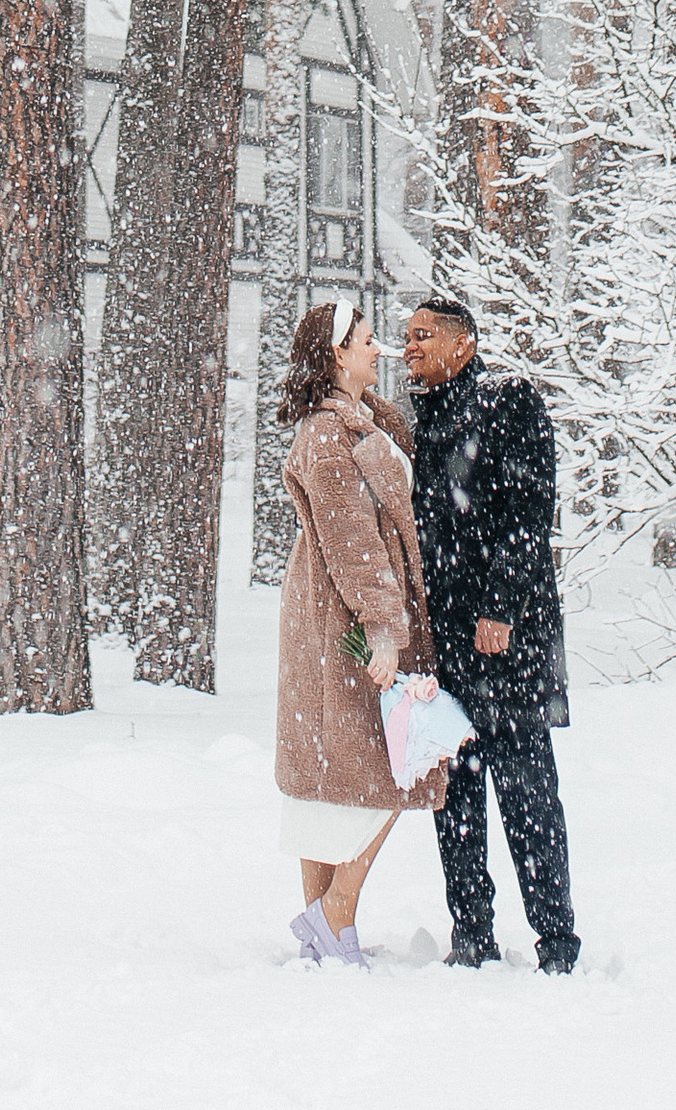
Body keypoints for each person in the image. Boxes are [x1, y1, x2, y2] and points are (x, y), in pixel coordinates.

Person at [402, 291, 581, 976]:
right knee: (456, 794)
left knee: (527, 792)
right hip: (443, 645)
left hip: (506, 641)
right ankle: (470, 933)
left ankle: (557, 942)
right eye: (406, 336)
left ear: (464, 345)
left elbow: (526, 514)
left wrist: (499, 609)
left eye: (424, 335)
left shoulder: (510, 403)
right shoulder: (423, 420)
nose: (410, 346)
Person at [272, 297, 450, 969]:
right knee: (390, 767)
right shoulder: (326, 435)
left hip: (341, 610)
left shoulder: (366, 421)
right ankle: (334, 912)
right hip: (343, 618)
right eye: (368, 340)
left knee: (335, 773)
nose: (380, 350)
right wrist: (382, 628)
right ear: (336, 355)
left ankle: (331, 934)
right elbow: (352, 540)